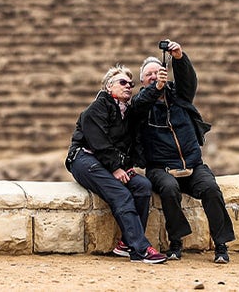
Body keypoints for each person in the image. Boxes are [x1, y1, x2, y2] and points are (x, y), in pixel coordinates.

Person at [132, 40, 236, 264]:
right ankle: (176, 242)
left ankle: (221, 244)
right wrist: (155, 90)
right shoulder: (140, 104)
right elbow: (139, 105)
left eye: (156, 73)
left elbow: (189, 81)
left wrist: (179, 57)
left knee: (211, 189)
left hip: (192, 165)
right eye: (148, 75)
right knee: (169, 189)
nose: (153, 77)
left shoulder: (179, 96)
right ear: (142, 81)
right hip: (161, 168)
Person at [65, 64, 168, 264]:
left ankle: (126, 244)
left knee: (142, 186)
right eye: (122, 82)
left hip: (106, 161)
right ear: (109, 87)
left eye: (131, 83)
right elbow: (99, 143)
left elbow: (125, 143)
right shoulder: (96, 108)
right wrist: (115, 168)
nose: (128, 86)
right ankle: (140, 249)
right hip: (84, 159)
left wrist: (126, 166)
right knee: (121, 194)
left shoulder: (125, 112)